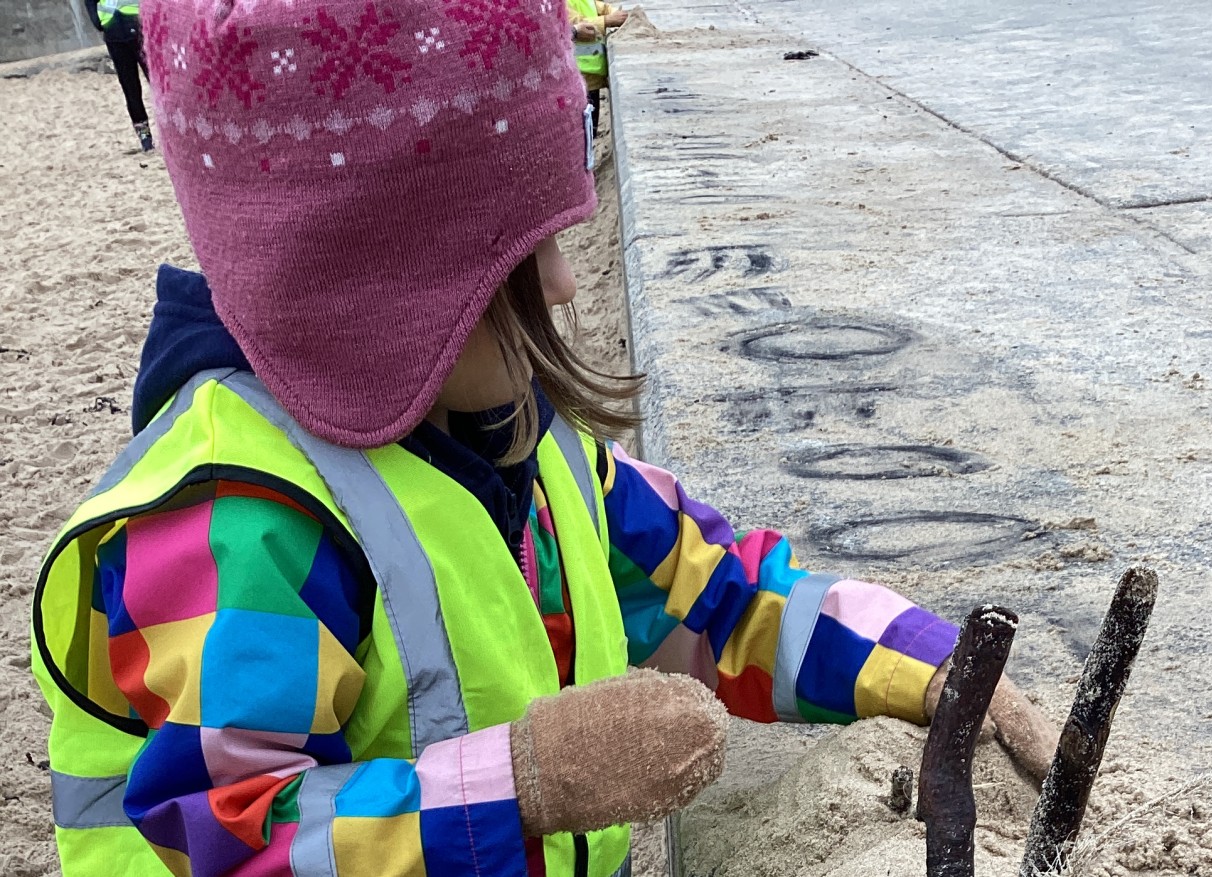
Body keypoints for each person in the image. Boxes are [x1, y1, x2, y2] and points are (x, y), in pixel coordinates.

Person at [29, 0, 1059, 875]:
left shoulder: (528, 439)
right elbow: (236, 836)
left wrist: (924, 664)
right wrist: (521, 781)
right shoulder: (242, 530)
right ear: (385, 291)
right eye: (521, 260)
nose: (565, 285)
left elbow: (726, 598)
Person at [85, 0, 153, 151]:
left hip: (139, 28)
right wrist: (98, 21)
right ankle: (145, 137)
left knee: (157, 83)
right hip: (114, 35)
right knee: (130, 88)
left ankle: (172, 127)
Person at [568, 0, 627, 130]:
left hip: (592, 75)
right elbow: (574, 24)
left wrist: (615, 13)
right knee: (581, 128)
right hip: (575, 77)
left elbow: (598, 6)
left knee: (591, 126)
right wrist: (607, 20)